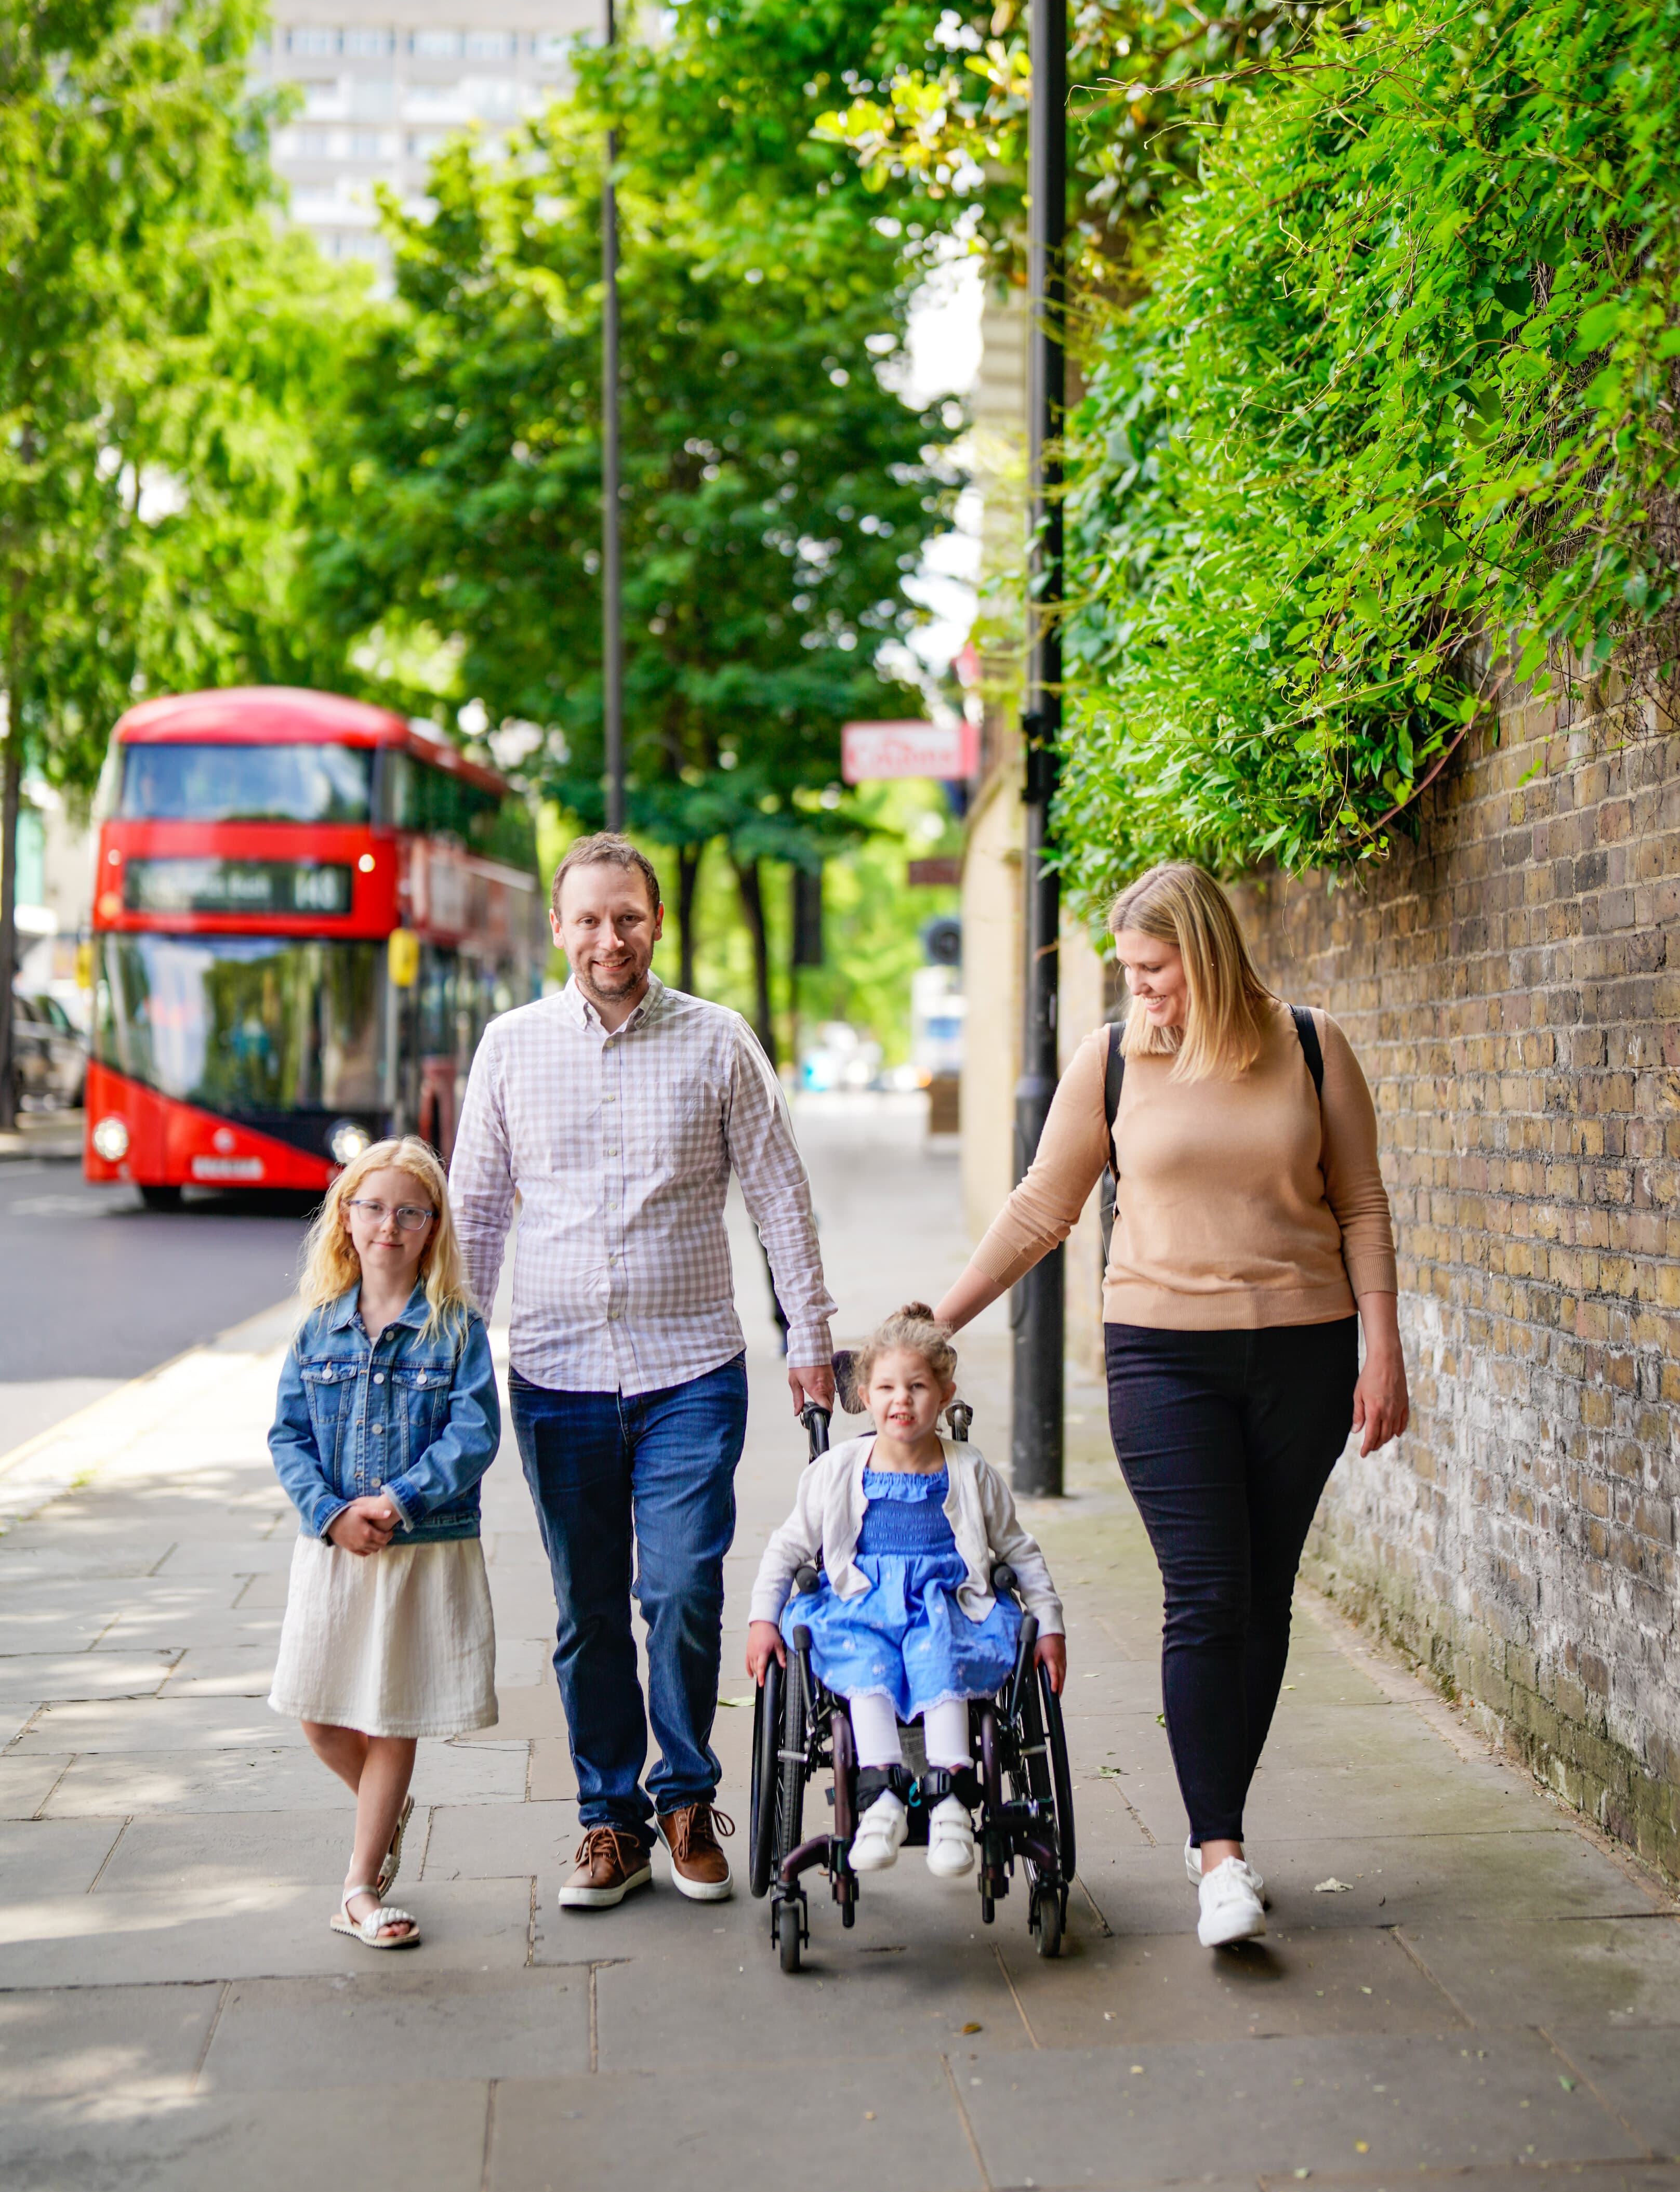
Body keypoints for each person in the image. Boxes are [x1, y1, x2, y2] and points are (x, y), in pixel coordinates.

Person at [934, 863, 1408, 1950]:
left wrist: (1381, 1347)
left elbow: (1362, 1201)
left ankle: (1220, 1829)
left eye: (1153, 970)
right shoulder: (1110, 1059)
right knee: (1202, 1594)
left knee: (1261, 1595)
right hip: (1160, 1356)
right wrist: (941, 1316)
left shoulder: (1306, 1042)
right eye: (1129, 972)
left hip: (1303, 1351)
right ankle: (1218, 1854)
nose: (1138, 989)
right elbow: (1039, 1208)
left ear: (1202, 954)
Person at [450, 832, 837, 1912]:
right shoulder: (510, 1046)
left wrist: (807, 1334)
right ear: (559, 929)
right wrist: (453, 1357)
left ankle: (683, 1798)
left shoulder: (718, 1042)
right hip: (556, 1374)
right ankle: (606, 1820)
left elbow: (776, 1195)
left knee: (677, 1588)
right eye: (587, 918)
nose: (607, 937)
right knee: (582, 1607)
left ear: (654, 922)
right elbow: (475, 1208)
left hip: (689, 1371)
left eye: (626, 916)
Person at [268, 1137, 500, 1950]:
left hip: (419, 1548)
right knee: (318, 1712)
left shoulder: (456, 1330)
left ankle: (359, 1888)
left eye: (409, 1211)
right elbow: (288, 1436)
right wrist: (332, 1512)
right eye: (372, 1207)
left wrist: (396, 1502)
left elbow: (473, 1435)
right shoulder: (317, 1330)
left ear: (433, 1226)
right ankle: (385, 1801)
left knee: (390, 1712)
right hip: (334, 1548)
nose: (389, 1225)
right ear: (346, 1218)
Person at [745, 1304, 1065, 1880]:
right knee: (864, 1660)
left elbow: (1019, 1550)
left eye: (917, 1386)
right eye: (887, 1386)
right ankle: (880, 1800)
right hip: (861, 1604)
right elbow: (787, 1546)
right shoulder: (838, 1469)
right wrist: (762, 1619)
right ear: (864, 1395)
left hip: (948, 1604)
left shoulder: (968, 1469)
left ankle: (949, 1804)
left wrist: (1049, 1624)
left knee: (938, 1653)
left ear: (944, 1393)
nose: (902, 1399)